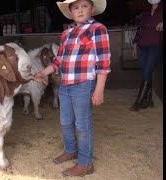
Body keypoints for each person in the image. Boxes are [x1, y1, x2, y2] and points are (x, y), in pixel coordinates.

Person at [34, 0, 111, 177]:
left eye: (84, 6)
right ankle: (71, 150)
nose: (80, 10)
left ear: (92, 9)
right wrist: (44, 72)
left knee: (82, 125)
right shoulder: (67, 32)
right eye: (75, 7)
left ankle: (85, 163)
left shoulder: (97, 29)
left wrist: (99, 89)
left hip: (84, 85)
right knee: (66, 121)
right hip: (66, 84)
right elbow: (59, 60)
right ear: (70, 12)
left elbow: (104, 62)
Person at [130, 0, 163, 111]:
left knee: (148, 70)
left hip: (156, 45)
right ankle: (148, 99)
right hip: (142, 45)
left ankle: (138, 102)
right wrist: (135, 45)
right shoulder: (145, 12)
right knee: (145, 71)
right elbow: (139, 29)